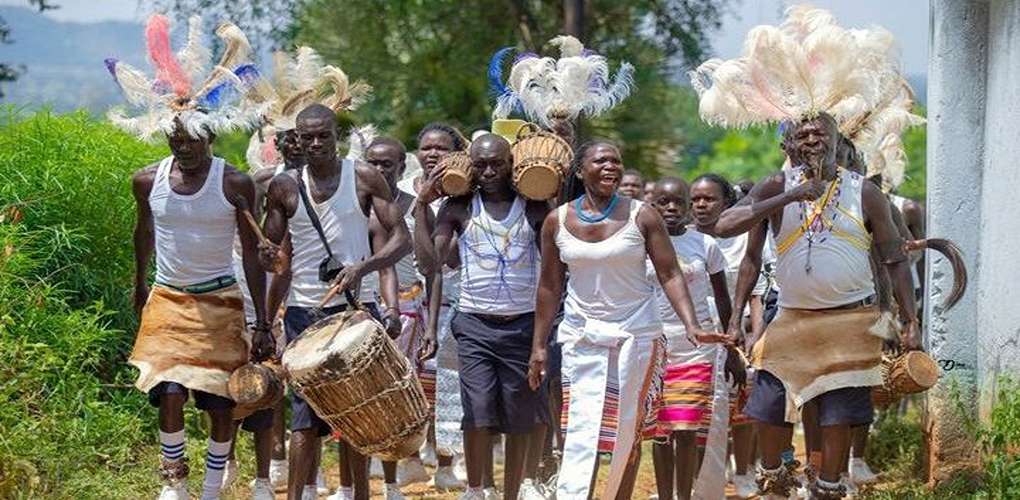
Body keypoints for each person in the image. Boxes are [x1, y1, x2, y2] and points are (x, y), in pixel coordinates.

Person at [717, 113, 920, 499]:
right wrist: (791, 195)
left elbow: (894, 259)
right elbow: (728, 229)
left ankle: (828, 486)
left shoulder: (864, 192)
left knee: (838, 414)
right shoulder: (776, 185)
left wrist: (908, 319)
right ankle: (776, 475)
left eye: (819, 132)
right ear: (789, 145)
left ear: (835, 140)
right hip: (791, 318)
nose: (811, 139)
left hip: (850, 320)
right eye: (802, 134)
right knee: (768, 405)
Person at [527, 140, 728, 500]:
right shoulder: (557, 220)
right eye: (600, 160)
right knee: (581, 431)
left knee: (627, 430)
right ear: (579, 170)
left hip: (637, 334)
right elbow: (549, 286)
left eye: (616, 161)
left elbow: (669, 273)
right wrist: (539, 346)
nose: (611, 167)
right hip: (581, 335)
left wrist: (692, 325)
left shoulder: (642, 216)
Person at [260, 104, 410, 500]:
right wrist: (265, 257)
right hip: (303, 312)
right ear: (296, 140)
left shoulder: (363, 176)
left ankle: (359, 493)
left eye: (322, 135)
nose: (315, 143)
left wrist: (363, 267)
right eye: (306, 137)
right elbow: (272, 253)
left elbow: (400, 239)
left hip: (355, 310)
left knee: (358, 412)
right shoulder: (284, 188)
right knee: (304, 416)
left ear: (335, 136)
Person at [129, 119, 274, 500]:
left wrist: (260, 321)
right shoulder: (147, 181)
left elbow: (251, 258)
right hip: (167, 298)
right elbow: (143, 232)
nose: (183, 147)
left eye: (191, 139)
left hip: (220, 302)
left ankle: (211, 489)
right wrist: (140, 283)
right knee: (170, 391)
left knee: (220, 400)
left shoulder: (234, 183)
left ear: (209, 137)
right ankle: (173, 482)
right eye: (175, 139)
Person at [417, 134, 550, 500]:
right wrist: (420, 207)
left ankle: (511, 492)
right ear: (470, 167)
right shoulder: (458, 208)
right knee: (476, 413)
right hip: (474, 324)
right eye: (481, 165)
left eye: (497, 163)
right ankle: (475, 490)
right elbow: (432, 265)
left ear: (512, 164)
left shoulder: (535, 208)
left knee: (519, 418)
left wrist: (542, 338)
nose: (489, 171)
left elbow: (553, 272)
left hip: (522, 325)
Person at [221, 127, 307, 498]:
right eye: (286, 141)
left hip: (293, 292)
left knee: (274, 384)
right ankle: (227, 460)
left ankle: (269, 472)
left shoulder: (320, 183)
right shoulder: (261, 179)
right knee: (234, 383)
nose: (294, 146)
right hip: (248, 288)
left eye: (299, 140)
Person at [645, 177, 738, 500]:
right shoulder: (639, 244)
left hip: (696, 350)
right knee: (659, 433)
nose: (671, 209)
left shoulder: (705, 245)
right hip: (652, 349)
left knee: (685, 430)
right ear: (651, 205)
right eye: (663, 202)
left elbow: (723, 299)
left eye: (678, 202)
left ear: (687, 206)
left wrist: (733, 349)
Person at [689, 173, 767, 498]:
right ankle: (699, 478)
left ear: (727, 203)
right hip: (698, 333)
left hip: (740, 329)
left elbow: (756, 293)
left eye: (709, 199)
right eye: (695, 199)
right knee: (697, 408)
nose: (701, 205)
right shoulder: (684, 238)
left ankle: (745, 472)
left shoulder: (742, 238)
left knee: (742, 405)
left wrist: (756, 335)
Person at [402, 123, 470, 492]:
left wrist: (430, 205)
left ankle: (446, 463)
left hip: (453, 300)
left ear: (456, 153)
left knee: (448, 384)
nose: (432, 154)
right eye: (426, 147)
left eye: (441, 148)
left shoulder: (464, 195)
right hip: (407, 301)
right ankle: (410, 459)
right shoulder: (400, 190)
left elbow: (449, 259)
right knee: (408, 384)